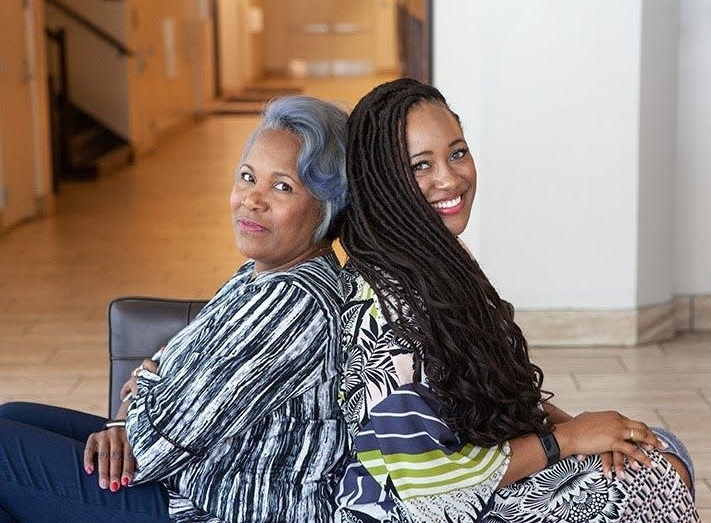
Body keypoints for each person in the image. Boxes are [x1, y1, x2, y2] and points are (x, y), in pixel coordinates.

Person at [335, 78, 698, 522]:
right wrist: (565, 441)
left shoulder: (434, 259)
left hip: (479, 479)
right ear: (383, 182)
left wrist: (581, 430)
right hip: (426, 507)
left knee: (652, 450)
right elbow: (430, 493)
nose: (450, 178)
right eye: (419, 166)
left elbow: (493, 389)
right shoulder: (384, 317)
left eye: (457, 153)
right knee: (647, 481)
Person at [0, 95, 349, 522]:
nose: (252, 200)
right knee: (11, 416)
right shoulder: (259, 275)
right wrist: (135, 408)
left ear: (327, 207)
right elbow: (170, 363)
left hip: (215, 507)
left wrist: (141, 400)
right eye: (247, 176)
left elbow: (162, 439)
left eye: (282, 186)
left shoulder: (295, 302)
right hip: (193, 475)